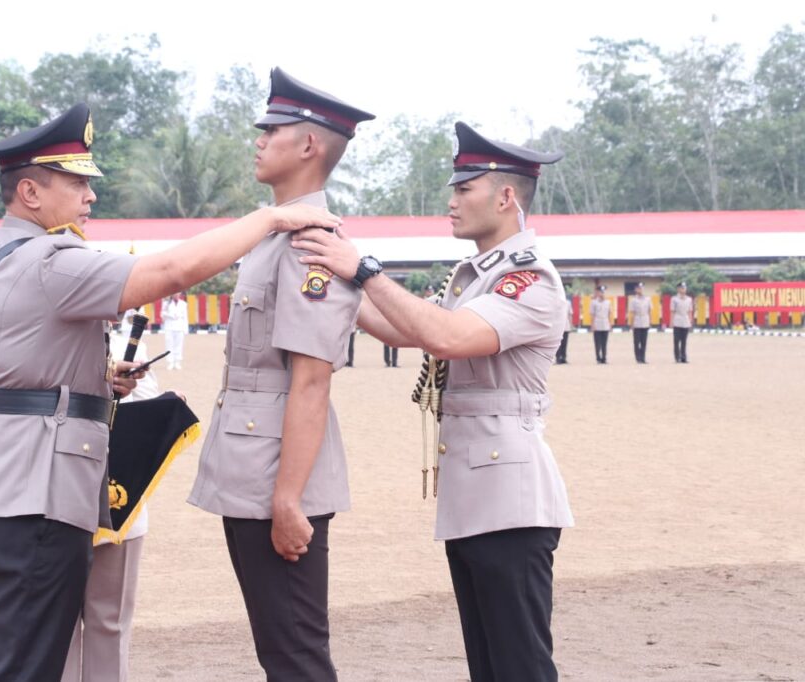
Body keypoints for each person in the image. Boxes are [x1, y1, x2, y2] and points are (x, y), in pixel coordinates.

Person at [0, 102, 339, 682]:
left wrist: (95, 380)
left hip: (3, 479)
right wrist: (268, 219)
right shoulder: (50, 259)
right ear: (30, 192)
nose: (90, 196)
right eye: (77, 184)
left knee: (21, 647)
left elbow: (15, 363)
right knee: (27, 663)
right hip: (38, 488)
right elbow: (168, 273)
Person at [292, 120, 574, 681]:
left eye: (464, 189)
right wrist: (333, 274)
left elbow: (445, 336)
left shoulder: (528, 280)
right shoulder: (477, 275)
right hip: (479, 496)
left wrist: (363, 270)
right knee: (489, 666)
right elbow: (403, 329)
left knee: (519, 666)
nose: (451, 201)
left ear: (506, 197)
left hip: (511, 505)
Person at [187, 67, 374, 681]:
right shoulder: (276, 233)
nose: (259, 140)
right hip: (254, 465)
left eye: (272, 130)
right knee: (280, 649)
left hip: (277, 476)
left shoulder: (310, 241)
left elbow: (312, 379)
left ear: (309, 144)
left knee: (296, 654)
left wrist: (289, 498)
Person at [61, 334, 159, 682]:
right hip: (55, 502)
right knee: (57, 627)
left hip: (118, 508)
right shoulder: (47, 336)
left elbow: (147, 419)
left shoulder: (130, 346)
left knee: (110, 624)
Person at [161, 292, 188, 369]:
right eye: (175, 293)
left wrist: (185, 329)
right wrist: (170, 315)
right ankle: (170, 362)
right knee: (169, 345)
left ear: (180, 294)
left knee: (179, 345)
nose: (176, 295)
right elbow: (162, 314)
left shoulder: (183, 304)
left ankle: (177, 362)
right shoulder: (166, 303)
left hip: (179, 327)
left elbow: (185, 317)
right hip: (169, 327)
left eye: (178, 293)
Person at [628, 282, 651, 363]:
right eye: (638, 288)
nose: (640, 290)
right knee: (637, 342)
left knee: (644, 342)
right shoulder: (633, 300)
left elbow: (649, 311)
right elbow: (632, 313)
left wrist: (650, 321)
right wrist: (632, 324)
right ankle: (638, 358)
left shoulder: (647, 299)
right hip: (637, 321)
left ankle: (643, 358)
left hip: (645, 321)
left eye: (641, 288)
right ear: (635, 290)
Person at [670, 281, 693, 363]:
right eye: (682, 288)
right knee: (676, 341)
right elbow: (672, 311)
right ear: (678, 289)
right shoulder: (674, 299)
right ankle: (677, 357)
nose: (684, 289)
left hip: (685, 321)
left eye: (685, 288)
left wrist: (690, 321)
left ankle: (684, 357)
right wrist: (671, 321)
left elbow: (690, 311)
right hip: (677, 320)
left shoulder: (689, 299)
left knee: (684, 341)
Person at [590, 285, 611, 364]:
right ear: (598, 292)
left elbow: (609, 314)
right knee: (597, 343)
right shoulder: (594, 302)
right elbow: (592, 314)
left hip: (605, 324)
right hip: (597, 324)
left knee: (604, 343)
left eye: (603, 292)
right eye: (600, 292)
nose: (602, 293)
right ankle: (598, 358)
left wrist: (610, 324)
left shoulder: (608, 302)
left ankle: (604, 358)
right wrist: (592, 325)